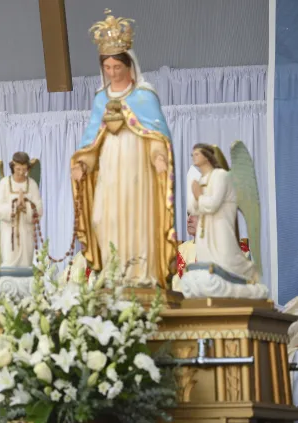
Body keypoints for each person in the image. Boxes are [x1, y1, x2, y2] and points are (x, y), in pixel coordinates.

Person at [71, 11, 176, 289]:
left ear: (129, 66)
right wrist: (83, 163)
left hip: (136, 168)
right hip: (109, 167)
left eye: (117, 67)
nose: (113, 73)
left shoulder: (144, 96)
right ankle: (113, 271)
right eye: (108, 68)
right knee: (104, 216)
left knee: (136, 216)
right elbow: (91, 139)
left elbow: (156, 134)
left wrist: (158, 157)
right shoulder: (100, 99)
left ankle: (139, 273)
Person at [187, 144, 259, 283]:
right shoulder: (201, 180)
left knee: (227, 260)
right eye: (192, 154)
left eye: (197, 154)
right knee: (206, 269)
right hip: (205, 230)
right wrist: (196, 197)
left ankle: (249, 273)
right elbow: (193, 209)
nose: (193, 157)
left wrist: (198, 196)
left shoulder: (221, 176)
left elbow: (214, 204)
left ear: (207, 157)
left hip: (220, 226)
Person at [173, 212, 251, 292]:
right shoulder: (181, 250)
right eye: (188, 214)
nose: (189, 219)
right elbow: (176, 286)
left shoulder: (237, 249)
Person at [0, 152, 43, 268]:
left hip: (26, 230)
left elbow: (39, 208)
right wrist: (14, 207)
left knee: (26, 263)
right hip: (9, 230)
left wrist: (26, 207)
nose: (21, 172)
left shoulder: (32, 185)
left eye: (24, 169)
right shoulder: (5, 183)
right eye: (18, 169)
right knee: (10, 260)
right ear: (13, 167)